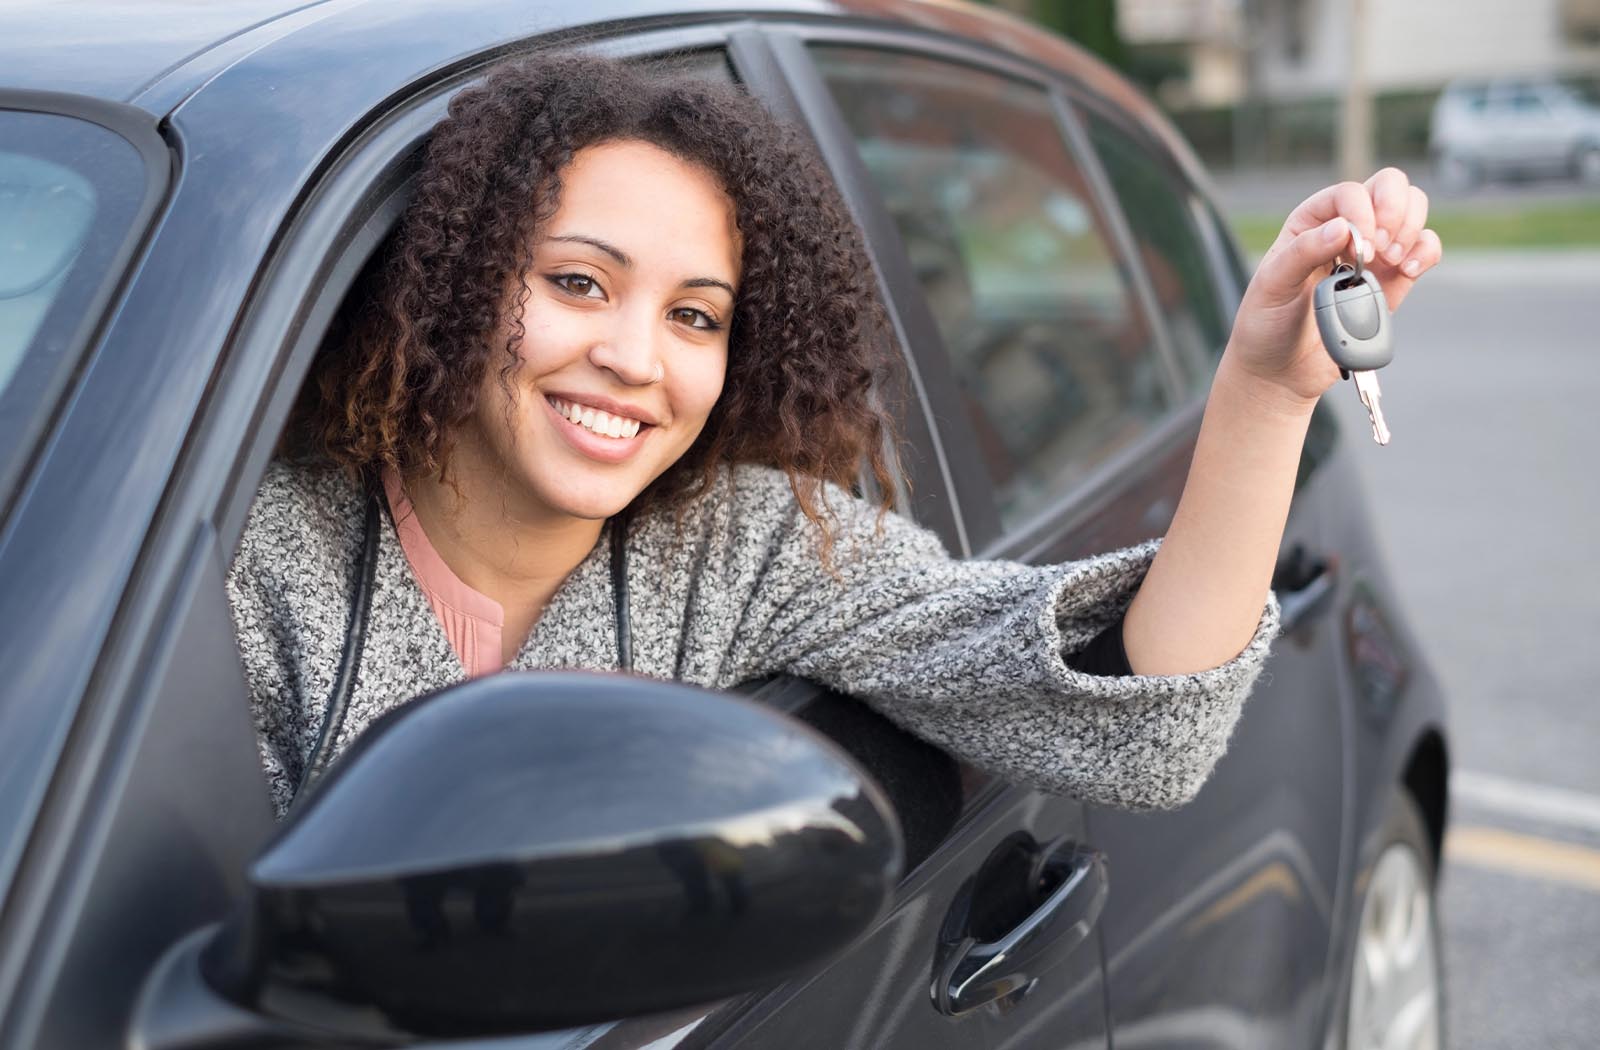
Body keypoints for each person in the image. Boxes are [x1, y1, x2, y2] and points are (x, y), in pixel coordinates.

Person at [226, 50, 1442, 819]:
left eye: (695, 316)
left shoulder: (736, 547)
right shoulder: (246, 567)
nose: (636, 360)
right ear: (457, 281)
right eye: (579, 285)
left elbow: (1134, 727)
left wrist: (1265, 391)